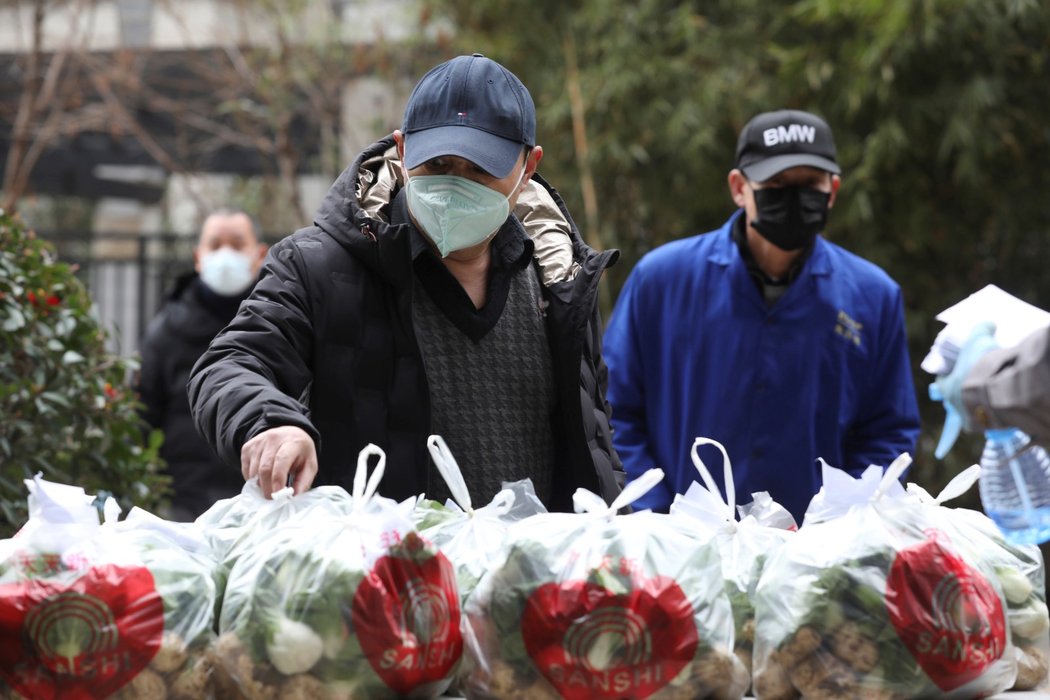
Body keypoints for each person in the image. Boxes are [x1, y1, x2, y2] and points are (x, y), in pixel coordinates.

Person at [188, 54, 623, 510]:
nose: (455, 185)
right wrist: (270, 422)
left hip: (532, 573)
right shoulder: (320, 266)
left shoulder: (560, 280)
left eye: (480, 169)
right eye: (436, 165)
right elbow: (229, 363)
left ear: (528, 166)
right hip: (384, 574)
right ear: (402, 147)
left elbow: (593, 441)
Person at [602, 109, 921, 522]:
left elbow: (888, 433)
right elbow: (613, 412)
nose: (793, 197)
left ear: (833, 190)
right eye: (775, 184)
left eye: (810, 184)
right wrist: (657, 515)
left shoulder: (871, 296)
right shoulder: (662, 281)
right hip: (681, 550)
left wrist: (844, 524)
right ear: (739, 187)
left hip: (815, 557)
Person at [138, 208, 268, 520]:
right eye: (215, 245)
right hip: (182, 507)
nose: (225, 255)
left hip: (263, 504)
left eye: (237, 245)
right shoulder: (166, 332)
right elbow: (140, 416)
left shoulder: (279, 325)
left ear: (260, 254)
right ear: (199, 257)